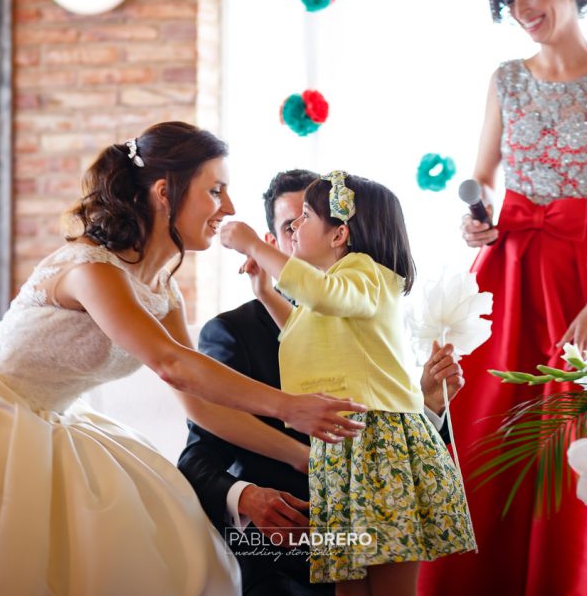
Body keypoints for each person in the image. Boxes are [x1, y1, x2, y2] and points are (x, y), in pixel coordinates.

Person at [0, 121, 369, 596]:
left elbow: (200, 404)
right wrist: (290, 406)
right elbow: (170, 363)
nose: (229, 206)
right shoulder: (91, 269)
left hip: (54, 425)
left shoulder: (162, 288)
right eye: (214, 189)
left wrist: (302, 459)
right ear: (165, 191)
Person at [419, 0, 587, 596]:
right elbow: (484, 172)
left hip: (585, 275)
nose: (524, 10)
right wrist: (476, 214)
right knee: (482, 433)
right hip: (508, 274)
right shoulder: (506, 79)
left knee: (573, 450)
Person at [178, 169, 467, 596]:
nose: (295, 228)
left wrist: (254, 245)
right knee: (347, 583)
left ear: (339, 234)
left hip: (377, 451)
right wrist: (264, 290)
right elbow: (302, 328)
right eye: (287, 225)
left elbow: (323, 296)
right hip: (343, 453)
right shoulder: (326, 296)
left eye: (305, 217)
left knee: (388, 579)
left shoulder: (367, 274)